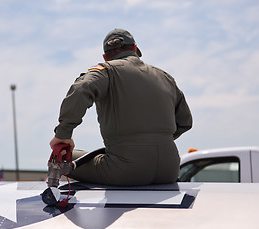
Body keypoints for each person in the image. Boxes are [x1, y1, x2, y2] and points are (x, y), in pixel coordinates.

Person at [50, 28, 192, 186]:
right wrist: (153, 141)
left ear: (105, 56)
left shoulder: (107, 71)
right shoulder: (166, 77)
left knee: (62, 157)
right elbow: (185, 122)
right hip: (169, 170)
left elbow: (82, 88)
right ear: (135, 49)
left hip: (124, 171)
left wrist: (63, 133)